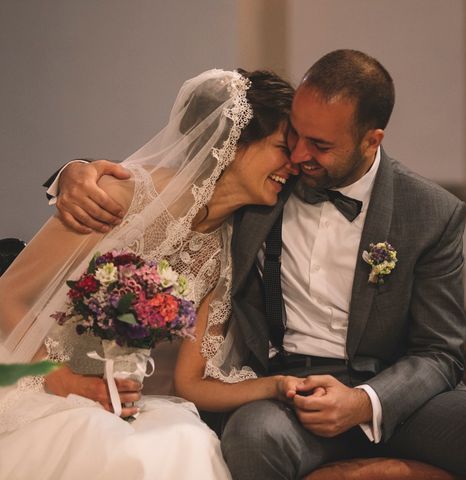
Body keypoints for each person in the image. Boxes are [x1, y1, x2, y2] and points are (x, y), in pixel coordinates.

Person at [48, 50, 466, 480]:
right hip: (285, 392)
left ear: (372, 140)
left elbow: (440, 353)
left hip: (391, 395)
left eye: (320, 144)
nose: (298, 154)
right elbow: (189, 171)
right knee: (253, 439)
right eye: (294, 134)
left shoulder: (431, 213)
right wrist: (75, 171)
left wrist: (366, 401)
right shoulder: (269, 183)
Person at [0, 68, 302, 479]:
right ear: (233, 144)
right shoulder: (119, 196)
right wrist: (69, 382)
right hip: (33, 378)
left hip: (118, 401)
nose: (295, 165)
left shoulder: (224, 253)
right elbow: (7, 295)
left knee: (183, 442)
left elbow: (191, 383)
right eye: (283, 147)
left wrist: (279, 385)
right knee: (95, 439)